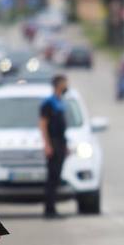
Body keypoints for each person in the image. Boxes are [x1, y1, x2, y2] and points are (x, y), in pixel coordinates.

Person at [39, 74, 70, 218]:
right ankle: (49, 209)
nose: (66, 85)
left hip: (61, 142)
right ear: (58, 84)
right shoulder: (49, 103)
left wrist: (66, 145)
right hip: (53, 142)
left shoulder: (60, 101)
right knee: (52, 177)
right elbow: (43, 124)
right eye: (64, 83)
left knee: (57, 176)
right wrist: (47, 145)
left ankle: (52, 207)